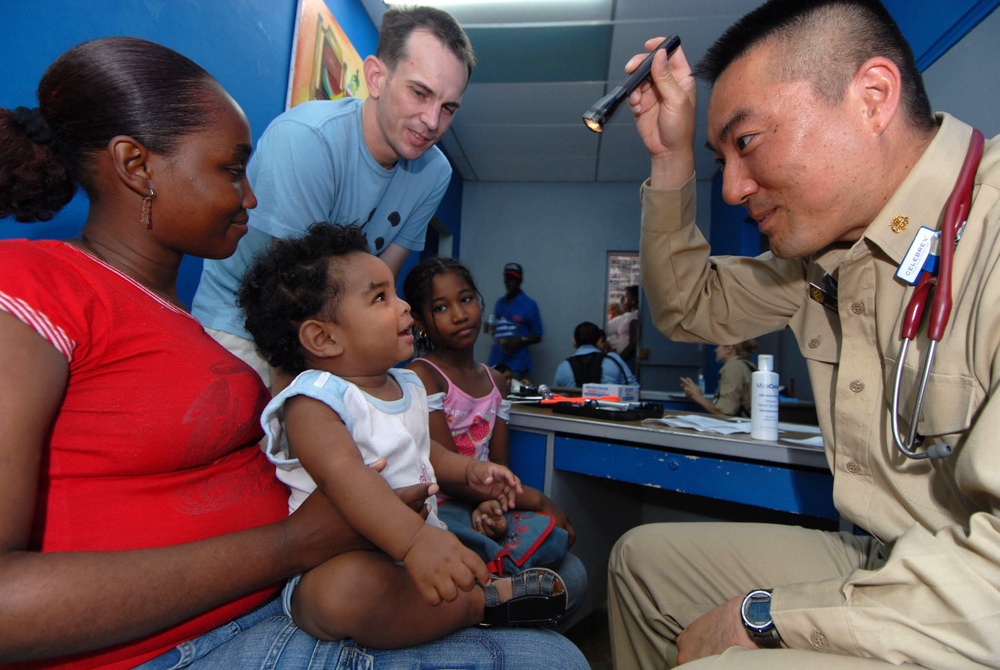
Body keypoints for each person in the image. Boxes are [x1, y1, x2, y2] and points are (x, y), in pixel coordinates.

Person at [0, 36, 588, 669]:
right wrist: (292, 545)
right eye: (230, 170)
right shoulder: (30, 289)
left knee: (566, 578)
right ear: (137, 167)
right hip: (197, 634)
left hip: (280, 586)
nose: (251, 197)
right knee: (551, 658)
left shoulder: (189, 330)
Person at [608, 0, 1000, 668]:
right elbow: (686, 306)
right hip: (892, 550)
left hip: (975, 584)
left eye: (748, 141)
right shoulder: (823, 259)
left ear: (872, 97)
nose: (731, 188)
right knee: (641, 564)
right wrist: (672, 158)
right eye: (720, 157)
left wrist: (766, 619)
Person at [237, 224, 569, 647]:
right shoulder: (314, 402)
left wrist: (471, 469)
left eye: (396, 293)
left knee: (433, 571)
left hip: (418, 549)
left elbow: (424, 450)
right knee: (345, 593)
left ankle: (454, 599)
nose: (404, 306)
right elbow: (346, 477)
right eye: (380, 297)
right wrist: (414, 543)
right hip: (342, 557)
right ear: (323, 337)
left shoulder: (407, 385)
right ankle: (477, 605)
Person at [191, 5, 475, 388]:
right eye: (419, 93)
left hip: (333, 327)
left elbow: (379, 280)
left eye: (448, 108)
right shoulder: (307, 140)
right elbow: (294, 296)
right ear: (376, 77)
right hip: (241, 326)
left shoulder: (434, 172)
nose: (432, 121)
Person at [402, 256, 590, 631]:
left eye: (466, 299)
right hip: (438, 510)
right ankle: (490, 594)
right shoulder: (422, 375)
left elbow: (500, 469)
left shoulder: (495, 381)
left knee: (575, 573)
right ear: (420, 322)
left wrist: (495, 504)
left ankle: (497, 592)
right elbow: (450, 473)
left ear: (481, 302)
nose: (459, 314)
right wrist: (539, 501)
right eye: (441, 307)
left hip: (482, 502)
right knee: (533, 566)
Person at [486, 262, 543, 380]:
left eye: (513, 278)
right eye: (507, 278)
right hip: (496, 361)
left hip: (516, 364)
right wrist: (489, 327)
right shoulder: (500, 303)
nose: (509, 281)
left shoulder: (529, 304)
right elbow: (495, 329)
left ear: (520, 280)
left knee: (514, 396)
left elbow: (537, 336)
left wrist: (518, 340)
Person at [680, 340, 758, 417]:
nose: (716, 350)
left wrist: (698, 396)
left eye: (718, 346)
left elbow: (725, 412)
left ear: (729, 349)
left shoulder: (733, 369)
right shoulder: (746, 366)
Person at [553, 321, 637, 388]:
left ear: (574, 342)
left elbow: (556, 397)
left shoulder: (563, 367)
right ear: (599, 341)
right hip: (609, 408)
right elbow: (633, 388)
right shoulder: (614, 360)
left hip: (574, 409)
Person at [613, 285, 640, 369]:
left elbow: (633, 343)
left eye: (626, 296)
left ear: (634, 299)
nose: (623, 300)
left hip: (627, 360)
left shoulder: (635, 316)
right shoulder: (631, 315)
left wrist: (619, 360)